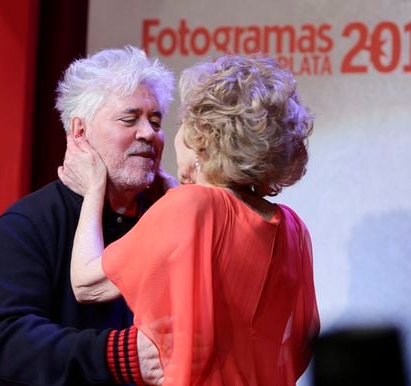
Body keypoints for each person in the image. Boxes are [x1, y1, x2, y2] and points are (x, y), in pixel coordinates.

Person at [59, 55, 320, 385]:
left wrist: (93, 187)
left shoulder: (190, 207)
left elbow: (86, 284)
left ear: (203, 138)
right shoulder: (292, 227)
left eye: (178, 121)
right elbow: (298, 350)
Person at [0, 46, 176, 386]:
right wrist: (117, 355)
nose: (149, 133)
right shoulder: (28, 223)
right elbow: (6, 342)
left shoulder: (166, 216)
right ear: (79, 132)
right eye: (130, 119)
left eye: (155, 121)